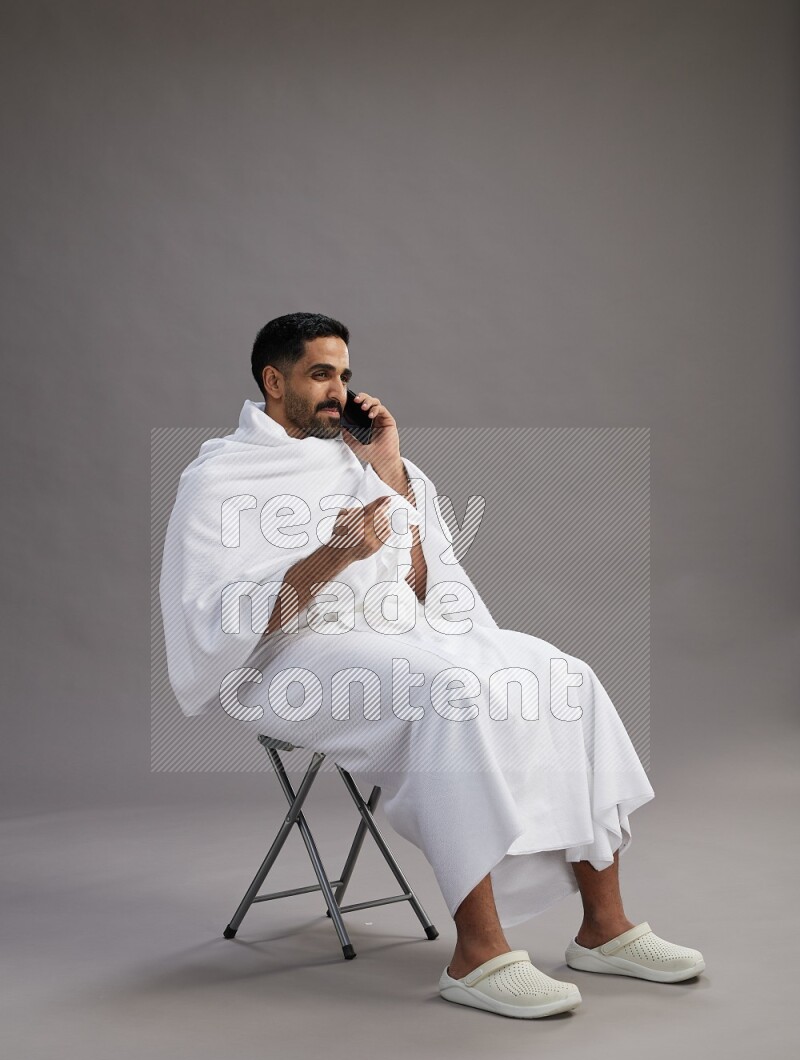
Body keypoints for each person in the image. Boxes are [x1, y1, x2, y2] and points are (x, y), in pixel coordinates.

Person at [159, 312, 705, 1020]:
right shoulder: (220, 477)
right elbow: (219, 620)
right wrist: (332, 556)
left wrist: (387, 467)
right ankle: (476, 952)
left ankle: (604, 928)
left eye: (345, 376)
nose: (339, 391)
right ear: (274, 380)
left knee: (564, 676)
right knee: (449, 692)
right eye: (321, 374)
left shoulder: (367, 463)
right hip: (288, 658)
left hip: (399, 632)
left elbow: (426, 587)